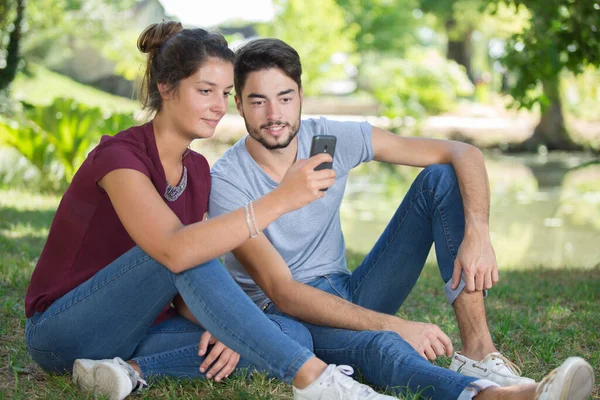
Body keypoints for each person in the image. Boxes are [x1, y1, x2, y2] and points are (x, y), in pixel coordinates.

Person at [23, 22, 402, 400]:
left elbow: (184, 284)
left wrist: (224, 325)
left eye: (224, 93)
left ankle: (127, 372)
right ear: (166, 87)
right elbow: (173, 252)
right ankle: (317, 382)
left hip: (139, 331)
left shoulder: (198, 172)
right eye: (205, 91)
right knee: (187, 249)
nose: (218, 106)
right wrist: (281, 199)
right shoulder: (119, 159)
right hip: (64, 333)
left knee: (285, 334)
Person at [207, 38, 595, 400]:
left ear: (301, 97)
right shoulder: (227, 181)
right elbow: (283, 292)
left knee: (440, 178)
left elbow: (463, 153)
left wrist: (478, 231)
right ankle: (500, 396)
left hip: (347, 288)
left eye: (284, 97)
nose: (274, 115)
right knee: (383, 344)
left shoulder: (330, 138)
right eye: (258, 102)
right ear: (239, 104)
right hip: (288, 315)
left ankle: (478, 349)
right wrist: (393, 324)